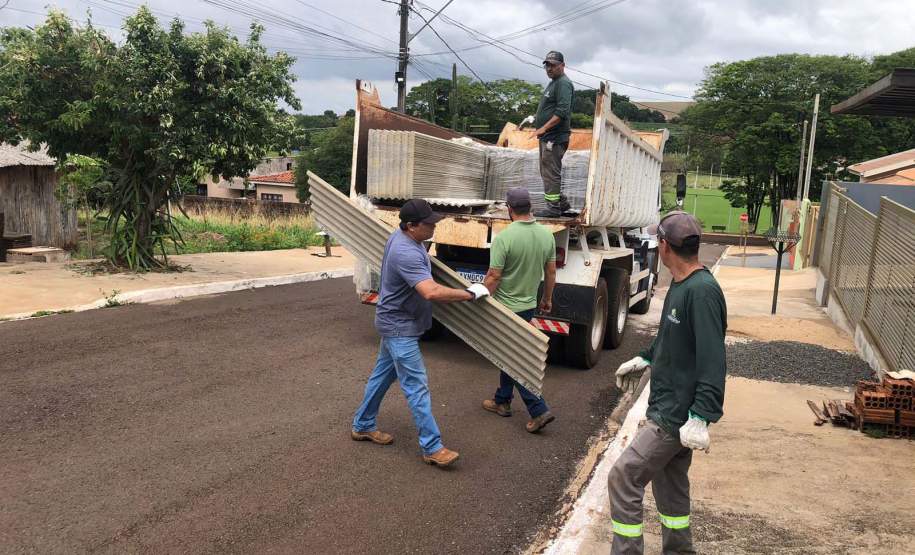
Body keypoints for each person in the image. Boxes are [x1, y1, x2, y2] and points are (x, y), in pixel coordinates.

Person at [608, 211, 727, 554]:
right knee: (670, 488)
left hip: (674, 416)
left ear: (664, 246)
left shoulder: (702, 292)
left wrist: (702, 415)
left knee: (624, 476)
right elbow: (672, 338)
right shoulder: (681, 282)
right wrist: (646, 357)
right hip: (669, 406)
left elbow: (713, 359)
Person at [351, 199, 491, 468]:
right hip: (399, 327)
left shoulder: (406, 239)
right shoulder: (406, 251)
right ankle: (432, 447)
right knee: (417, 387)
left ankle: (363, 424)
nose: (434, 226)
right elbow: (431, 292)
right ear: (411, 226)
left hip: (394, 321)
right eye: (429, 224)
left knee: (382, 377)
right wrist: (470, 293)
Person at [481, 188, 557, 433]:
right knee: (509, 353)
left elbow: (494, 276)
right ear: (530, 207)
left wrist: (479, 298)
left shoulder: (504, 237)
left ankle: (538, 409)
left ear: (509, 209)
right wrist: (547, 298)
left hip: (505, 308)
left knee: (512, 359)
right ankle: (502, 401)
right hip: (528, 306)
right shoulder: (547, 235)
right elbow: (551, 272)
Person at [531, 50, 574, 218]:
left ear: (562, 66)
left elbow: (562, 112)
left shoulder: (563, 83)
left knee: (550, 173)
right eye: (547, 65)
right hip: (548, 137)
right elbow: (550, 109)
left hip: (554, 138)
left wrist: (544, 127)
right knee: (547, 172)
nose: (549, 68)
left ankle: (553, 209)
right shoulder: (554, 83)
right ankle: (561, 203)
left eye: (553, 65)